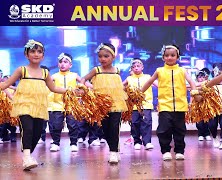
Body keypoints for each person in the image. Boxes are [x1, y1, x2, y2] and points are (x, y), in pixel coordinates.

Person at [0, 40, 68, 170]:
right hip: (24, 105)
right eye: (32, 51)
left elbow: (54, 88)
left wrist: (71, 91)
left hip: (39, 107)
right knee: (28, 129)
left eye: (39, 52)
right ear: (26, 54)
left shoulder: (45, 73)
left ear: (43, 55)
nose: (36, 54)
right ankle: (26, 157)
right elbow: (4, 85)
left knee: (37, 133)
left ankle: (28, 156)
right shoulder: (22, 70)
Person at [141, 44, 198, 161]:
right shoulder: (159, 70)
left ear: (177, 57)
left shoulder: (182, 70)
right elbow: (149, 81)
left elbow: (191, 82)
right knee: (164, 129)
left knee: (180, 130)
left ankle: (179, 151)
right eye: (167, 55)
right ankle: (166, 150)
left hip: (180, 106)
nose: (170, 57)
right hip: (164, 106)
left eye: (172, 55)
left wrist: (194, 93)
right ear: (163, 57)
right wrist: (139, 93)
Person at [80, 43, 128, 164]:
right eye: (100, 56)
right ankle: (114, 149)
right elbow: (83, 79)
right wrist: (87, 87)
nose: (103, 59)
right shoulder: (96, 70)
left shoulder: (117, 71)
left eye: (106, 56)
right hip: (101, 105)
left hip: (116, 103)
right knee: (105, 128)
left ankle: (113, 152)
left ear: (113, 57)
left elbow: (117, 86)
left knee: (114, 127)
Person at [48, 53, 84, 152]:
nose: (62, 64)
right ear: (58, 64)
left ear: (70, 65)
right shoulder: (54, 76)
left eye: (65, 62)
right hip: (57, 105)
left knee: (72, 125)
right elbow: (45, 85)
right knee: (56, 125)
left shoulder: (74, 75)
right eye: (60, 62)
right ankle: (55, 143)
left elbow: (84, 84)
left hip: (71, 105)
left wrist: (86, 90)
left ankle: (73, 143)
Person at [123, 58, 156, 150]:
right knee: (134, 123)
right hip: (133, 105)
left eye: (138, 66)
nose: (136, 68)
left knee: (146, 122)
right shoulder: (129, 78)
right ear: (132, 69)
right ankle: (137, 141)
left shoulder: (148, 77)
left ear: (142, 67)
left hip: (146, 104)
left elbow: (159, 85)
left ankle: (147, 142)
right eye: (134, 67)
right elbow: (121, 87)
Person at [209, 63, 222, 149]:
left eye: (221, 71)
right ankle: (214, 137)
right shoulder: (211, 82)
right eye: (217, 71)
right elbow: (201, 85)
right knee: (212, 125)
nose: (219, 73)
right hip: (213, 108)